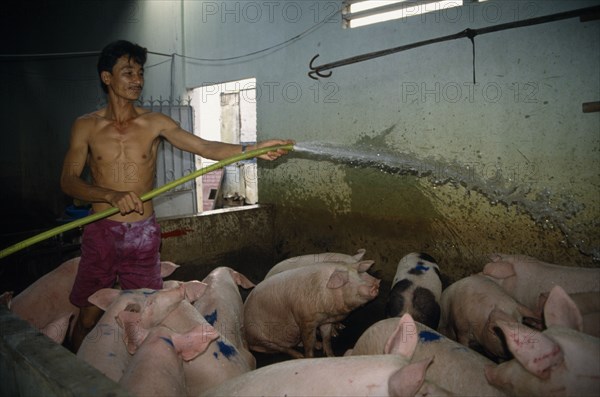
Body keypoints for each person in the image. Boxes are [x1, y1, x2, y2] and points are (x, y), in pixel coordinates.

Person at [60, 40, 293, 352]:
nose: (137, 80)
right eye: (128, 72)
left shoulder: (154, 123)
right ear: (107, 78)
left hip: (143, 235)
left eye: (140, 73)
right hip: (102, 232)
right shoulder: (86, 126)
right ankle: (75, 369)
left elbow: (204, 147)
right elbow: (68, 180)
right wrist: (109, 195)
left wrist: (252, 149)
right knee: (88, 317)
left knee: (145, 318)